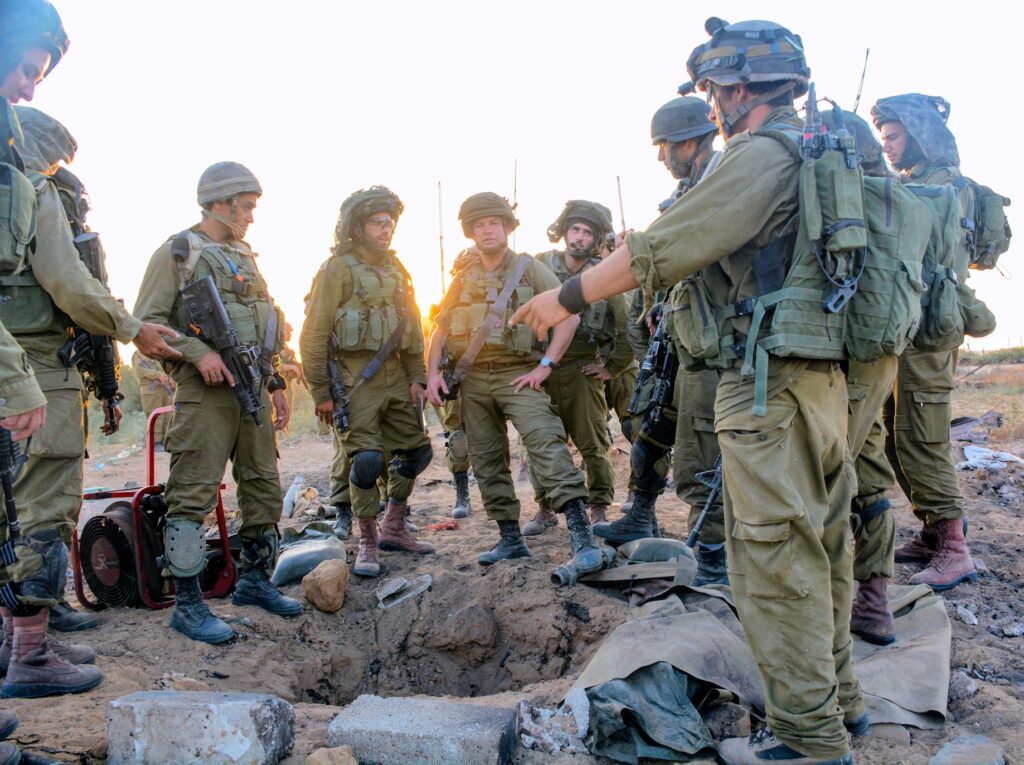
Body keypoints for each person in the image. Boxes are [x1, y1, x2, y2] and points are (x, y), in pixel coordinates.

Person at [512, 19, 864, 764]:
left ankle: (810, 739)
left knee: (773, 562)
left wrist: (566, 297)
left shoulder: (758, 157)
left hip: (766, 388)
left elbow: (664, 248)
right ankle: (842, 707)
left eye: (711, 89)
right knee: (824, 548)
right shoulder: (813, 150)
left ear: (739, 88)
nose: (708, 105)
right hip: (819, 382)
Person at [135, 161, 300, 644]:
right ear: (220, 203)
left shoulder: (243, 255)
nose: (250, 216)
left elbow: (263, 324)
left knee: (264, 486)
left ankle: (253, 581)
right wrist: (197, 351)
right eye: (245, 207)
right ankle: (188, 605)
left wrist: (275, 384)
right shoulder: (179, 252)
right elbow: (146, 326)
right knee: (192, 494)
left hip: (251, 391)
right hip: (205, 395)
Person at [425, 192, 603, 576]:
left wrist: (544, 366)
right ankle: (510, 538)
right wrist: (433, 375)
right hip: (472, 382)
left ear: (507, 227)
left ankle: (582, 538)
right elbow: (439, 328)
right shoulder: (462, 278)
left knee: (545, 442)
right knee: (487, 460)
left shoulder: (530, 269)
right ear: (471, 232)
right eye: (480, 225)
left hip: (517, 375)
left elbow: (569, 318)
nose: (487, 230)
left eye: (494, 223)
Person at [595, 95, 729, 586]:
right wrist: (660, 304)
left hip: (711, 345)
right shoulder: (688, 190)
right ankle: (640, 512)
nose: (660, 157)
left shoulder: (720, 181)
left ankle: (713, 557)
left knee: (701, 455)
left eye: (664, 146)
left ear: (689, 141)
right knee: (650, 427)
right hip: (676, 333)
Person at [871, 94, 980, 591]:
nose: (888, 147)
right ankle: (934, 531)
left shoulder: (945, 187)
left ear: (918, 134)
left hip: (930, 327)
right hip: (910, 324)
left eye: (894, 137)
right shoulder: (917, 184)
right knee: (898, 432)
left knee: (923, 434)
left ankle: (955, 549)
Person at [300, 186, 434, 578]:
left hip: (396, 376)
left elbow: (412, 327)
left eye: (390, 223)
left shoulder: (397, 269)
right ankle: (368, 538)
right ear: (357, 227)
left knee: (416, 453)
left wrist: (417, 377)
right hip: (354, 378)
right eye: (377, 223)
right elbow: (314, 333)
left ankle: (394, 526)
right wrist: (321, 392)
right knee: (368, 460)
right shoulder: (337, 269)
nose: (385, 229)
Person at [523, 200, 631, 533]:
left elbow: (626, 327)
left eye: (587, 232)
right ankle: (545, 508)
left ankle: (598, 506)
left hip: (582, 369)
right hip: (541, 368)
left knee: (593, 441)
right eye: (575, 229)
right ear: (564, 231)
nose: (579, 237)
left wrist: (612, 368)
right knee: (541, 442)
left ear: (596, 239)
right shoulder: (540, 265)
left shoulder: (604, 274)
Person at [132, 350, 175, 448]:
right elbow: (140, 370)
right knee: (156, 416)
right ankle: (155, 443)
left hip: (163, 389)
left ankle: (166, 440)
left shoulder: (154, 353)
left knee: (168, 415)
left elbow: (163, 371)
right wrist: (157, 375)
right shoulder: (138, 354)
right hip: (150, 390)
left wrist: (169, 379)